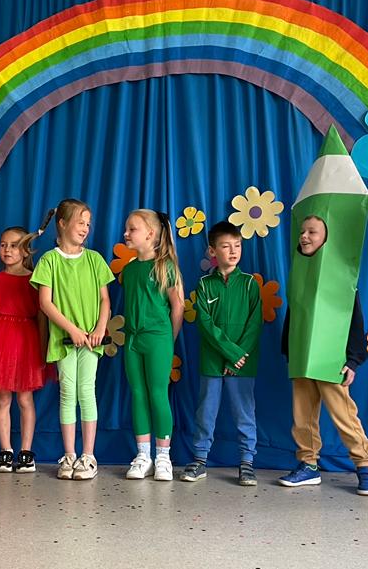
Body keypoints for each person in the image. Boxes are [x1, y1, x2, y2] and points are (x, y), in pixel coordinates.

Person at [279, 216, 368, 495]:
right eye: (302, 231)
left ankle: (364, 465)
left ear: (326, 238)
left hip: (330, 358)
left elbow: (354, 319)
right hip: (302, 355)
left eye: (312, 232)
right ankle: (308, 464)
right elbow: (295, 313)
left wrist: (353, 359)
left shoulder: (340, 276)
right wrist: (289, 349)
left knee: (344, 414)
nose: (304, 236)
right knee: (303, 414)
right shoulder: (300, 272)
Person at [26, 199, 113, 481]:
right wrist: (72, 330)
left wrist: (99, 328)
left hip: (91, 341)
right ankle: (69, 455)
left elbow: (105, 300)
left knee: (86, 392)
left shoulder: (95, 260)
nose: (85, 228)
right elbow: (45, 303)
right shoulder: (49, 261)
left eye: (88, 223)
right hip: (63, 340)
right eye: (80, 222)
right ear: (62, 224)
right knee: (67, 393)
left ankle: (88, 456)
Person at [181, 221, 262, 487]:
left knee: (244, 413)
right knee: (206, 411)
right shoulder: (204, 285)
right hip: (213, 362)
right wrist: (229, 353)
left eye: (237, 245)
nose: (233, 251)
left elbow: (254, 324)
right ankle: (199, 460)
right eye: (226, 246)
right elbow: (205, 324)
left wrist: (237, 356)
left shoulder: (250, 284)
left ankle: (247, 463)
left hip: (243, 363)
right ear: (212, 251)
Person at [0, 226, 53, 473]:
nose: (7, 250)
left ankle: (26, 452)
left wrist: (43, 349)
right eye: (3, 245)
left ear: (26, 250)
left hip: (26, 344)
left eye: (13, 245)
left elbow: (41, 319)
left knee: (24, 398)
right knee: (2, 398)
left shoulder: (35, 281)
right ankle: (6, 451)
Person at [120, 210, 183, 481]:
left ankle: (163, 457)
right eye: (126, 228)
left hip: (158, 339)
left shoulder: (165, 267)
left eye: (132, 229)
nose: (126, 233)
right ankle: (143, 455)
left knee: (158, 394)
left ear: (150, 234)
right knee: (138, 394)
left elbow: (177, 306)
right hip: (133, 340)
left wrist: (169, 340)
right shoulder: (129, 270)